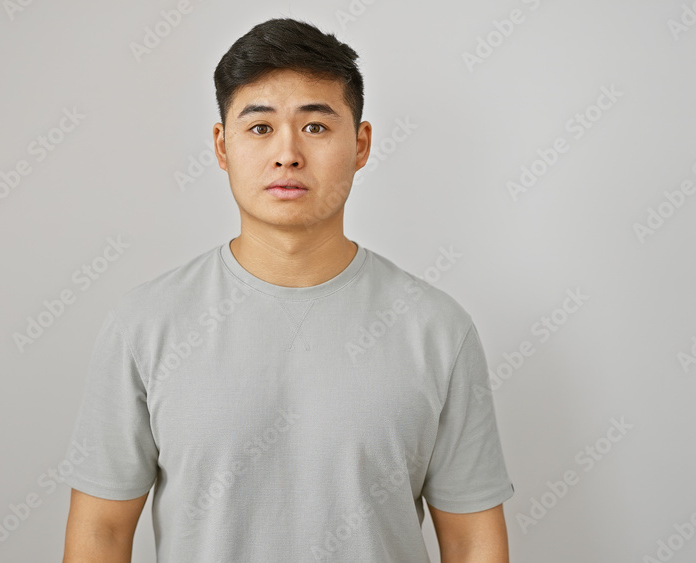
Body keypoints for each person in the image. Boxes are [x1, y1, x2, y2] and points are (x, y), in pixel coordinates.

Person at [62, 16, 514, 563]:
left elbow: (471, 540)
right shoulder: (145, 324)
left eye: (316, 127)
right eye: (259, 128)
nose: (287, 154)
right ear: (222, 145)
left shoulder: (438, 329)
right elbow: (102, 533)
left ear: (362, 143)